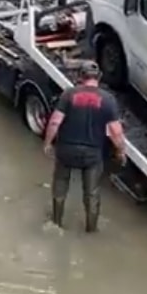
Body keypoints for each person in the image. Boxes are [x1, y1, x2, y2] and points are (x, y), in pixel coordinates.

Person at [42, 60, 125, 232]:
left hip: (66, 151)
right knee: (91, 193)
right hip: (92, 155)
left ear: (80, 77)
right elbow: (116, 132)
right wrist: (121, 152)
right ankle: (91, 230)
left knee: (60, 186)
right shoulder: (108, 100)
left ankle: (57, 223)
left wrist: (48, 143)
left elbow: (55, 122)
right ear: (99, 78)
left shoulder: (68, 95)